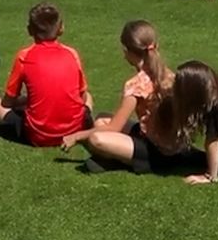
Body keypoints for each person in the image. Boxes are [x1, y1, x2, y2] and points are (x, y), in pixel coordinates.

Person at [61, 20, 203, 176]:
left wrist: (77, 136)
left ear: (127, 51)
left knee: (96, 139)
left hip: (156, 151)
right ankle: (116, 158)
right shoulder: (170, 75)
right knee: (101, 118)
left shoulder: (135, 86)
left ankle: (122, 160)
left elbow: (114, 128)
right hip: (169, 140)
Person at [0, 2, 94, 146]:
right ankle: (85, 127)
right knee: (88, 96)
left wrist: (24, 101)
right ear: (61, 28)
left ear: (30, 30)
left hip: (38, 136)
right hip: (75, 129)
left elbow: (7, 102)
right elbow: (82, 97)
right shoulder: (72, 53)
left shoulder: (24, 56)